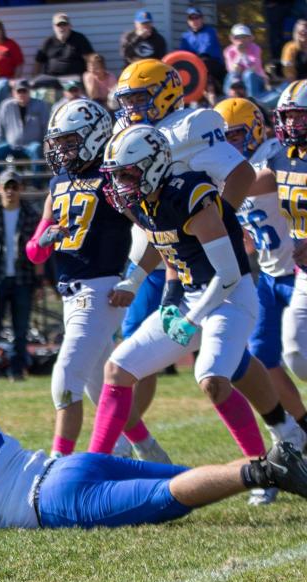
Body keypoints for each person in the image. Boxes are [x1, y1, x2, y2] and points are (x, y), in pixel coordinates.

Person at [92, 125, 305, 464]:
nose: (121, 184)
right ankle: (96, 462)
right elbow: (168, 249)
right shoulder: (147, 201)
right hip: (193, 296)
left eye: (128, 173)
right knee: (117, 369)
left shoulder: (190, 196)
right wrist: (160, 297)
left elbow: (228, 275)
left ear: (154, 165)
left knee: (211, 378)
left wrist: (190, 319)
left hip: (231, 299)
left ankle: (263, 468)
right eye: (117, 176)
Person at [0, 387, 307, 530]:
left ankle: (266, 469)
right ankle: (276, 460)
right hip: (68, 463)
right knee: (186, 478)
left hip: (49, 500)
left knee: (170, 496)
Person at [106, 59, 260, 459]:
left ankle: (273, 448)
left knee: (221, 368)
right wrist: (132, 277)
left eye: (140, 99)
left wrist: (213, 217)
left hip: (210, 259)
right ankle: (118, 450)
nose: (132, 109)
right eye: (127, 101)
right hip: (169, 255)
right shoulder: (130, 133)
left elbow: (240, 173)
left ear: (167, 92)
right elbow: (150, 225)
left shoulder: (191, 125)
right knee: (125, 360)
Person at [26, 99, 157, 460]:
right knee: (99, 388)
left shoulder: (113, 178)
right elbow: (34, 252)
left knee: (66, 378)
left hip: (101, 291)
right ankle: (150, 455)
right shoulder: (58, 183)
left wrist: (134, 279)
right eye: (59, 142)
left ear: (95, 135)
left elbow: (157, 231)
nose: (61, 150)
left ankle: (58, 463)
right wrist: (45, 239)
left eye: (69, 141)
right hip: (70, 294)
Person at [218, 96, 307, 504]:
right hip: (271, 275)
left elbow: (258, 181)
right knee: (262, 358)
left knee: (296, 354)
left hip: (296, 271)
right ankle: (301, 431)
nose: (230, 143)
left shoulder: (274, 156)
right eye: (223, 137)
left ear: (255, 129)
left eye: (235, 134)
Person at [248, 82, 307, 391]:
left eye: (300, 116)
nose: (292, 124)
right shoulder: (283, 157)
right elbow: (246, 185)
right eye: (288, 117)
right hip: (304, 275)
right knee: (296, 354)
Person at [0, 169, 41, 381]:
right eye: (6, 187)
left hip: (23, 279)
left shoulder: (31, 215)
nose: (10, 191)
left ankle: (17, 370)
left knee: (20, 330)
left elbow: (40, 249)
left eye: (14, 186)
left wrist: (39, 281)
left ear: (20, 188)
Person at [0, 79, 49, 170]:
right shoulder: (6, 105)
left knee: (36, 149)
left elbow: (46, 127)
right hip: (10, 145)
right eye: (19, 91)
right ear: (13, 92)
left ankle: (37, 183)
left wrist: (46, 143)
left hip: (31, 145)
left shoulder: (41, 105)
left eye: (24, 91)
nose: (21, 94)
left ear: (29, 92)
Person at [34, 13, 95, 79]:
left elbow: (90, 60)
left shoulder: (79, 39)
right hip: (52, 79)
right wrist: (34, 80)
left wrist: (90, 78)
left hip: (74, 80)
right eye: (59, 25)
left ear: (70, 26)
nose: (62, 27)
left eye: (64, 24)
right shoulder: (48, 41)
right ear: (54, 27)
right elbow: (38, 62)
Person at [179, 7, 226, 91]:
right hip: (194, 64)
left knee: (203, 65)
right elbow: (183, 54)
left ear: (202, 19)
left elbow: (206, 52)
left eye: (197, 18)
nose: (194, 21)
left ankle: (211, 93)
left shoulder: (210, 32)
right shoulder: (185, 36)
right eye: (191, 18)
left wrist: (193, 59)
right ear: (188, 21)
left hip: (213, 64)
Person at [224, 24, 267, 99]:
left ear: (250, 38)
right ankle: (229, 100)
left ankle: (253, 100)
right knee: (231, 76)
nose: (241, 40)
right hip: (238, 80)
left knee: (249, 74)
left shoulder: (256, 49)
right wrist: (239, 55)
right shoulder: (228, 51)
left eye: (244, 37)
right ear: (232, 39)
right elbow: (231, 69)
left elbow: (254, 68)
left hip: (256, 79)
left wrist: (243, 54)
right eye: (237, 37)